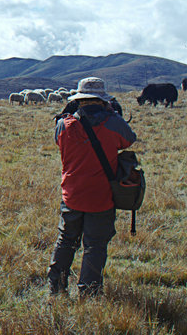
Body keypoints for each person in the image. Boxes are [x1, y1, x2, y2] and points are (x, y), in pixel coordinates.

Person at [47, 77, 136, 297]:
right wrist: (113, 114)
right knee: (95, 245)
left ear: (79, 100)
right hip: (101, 196)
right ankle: (88, 293)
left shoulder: (63, 125)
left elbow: (58, 142)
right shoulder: (113, 123)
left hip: (72, 194)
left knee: (66, 240)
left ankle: (56, 288)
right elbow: (129, 139)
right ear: (102, 100)